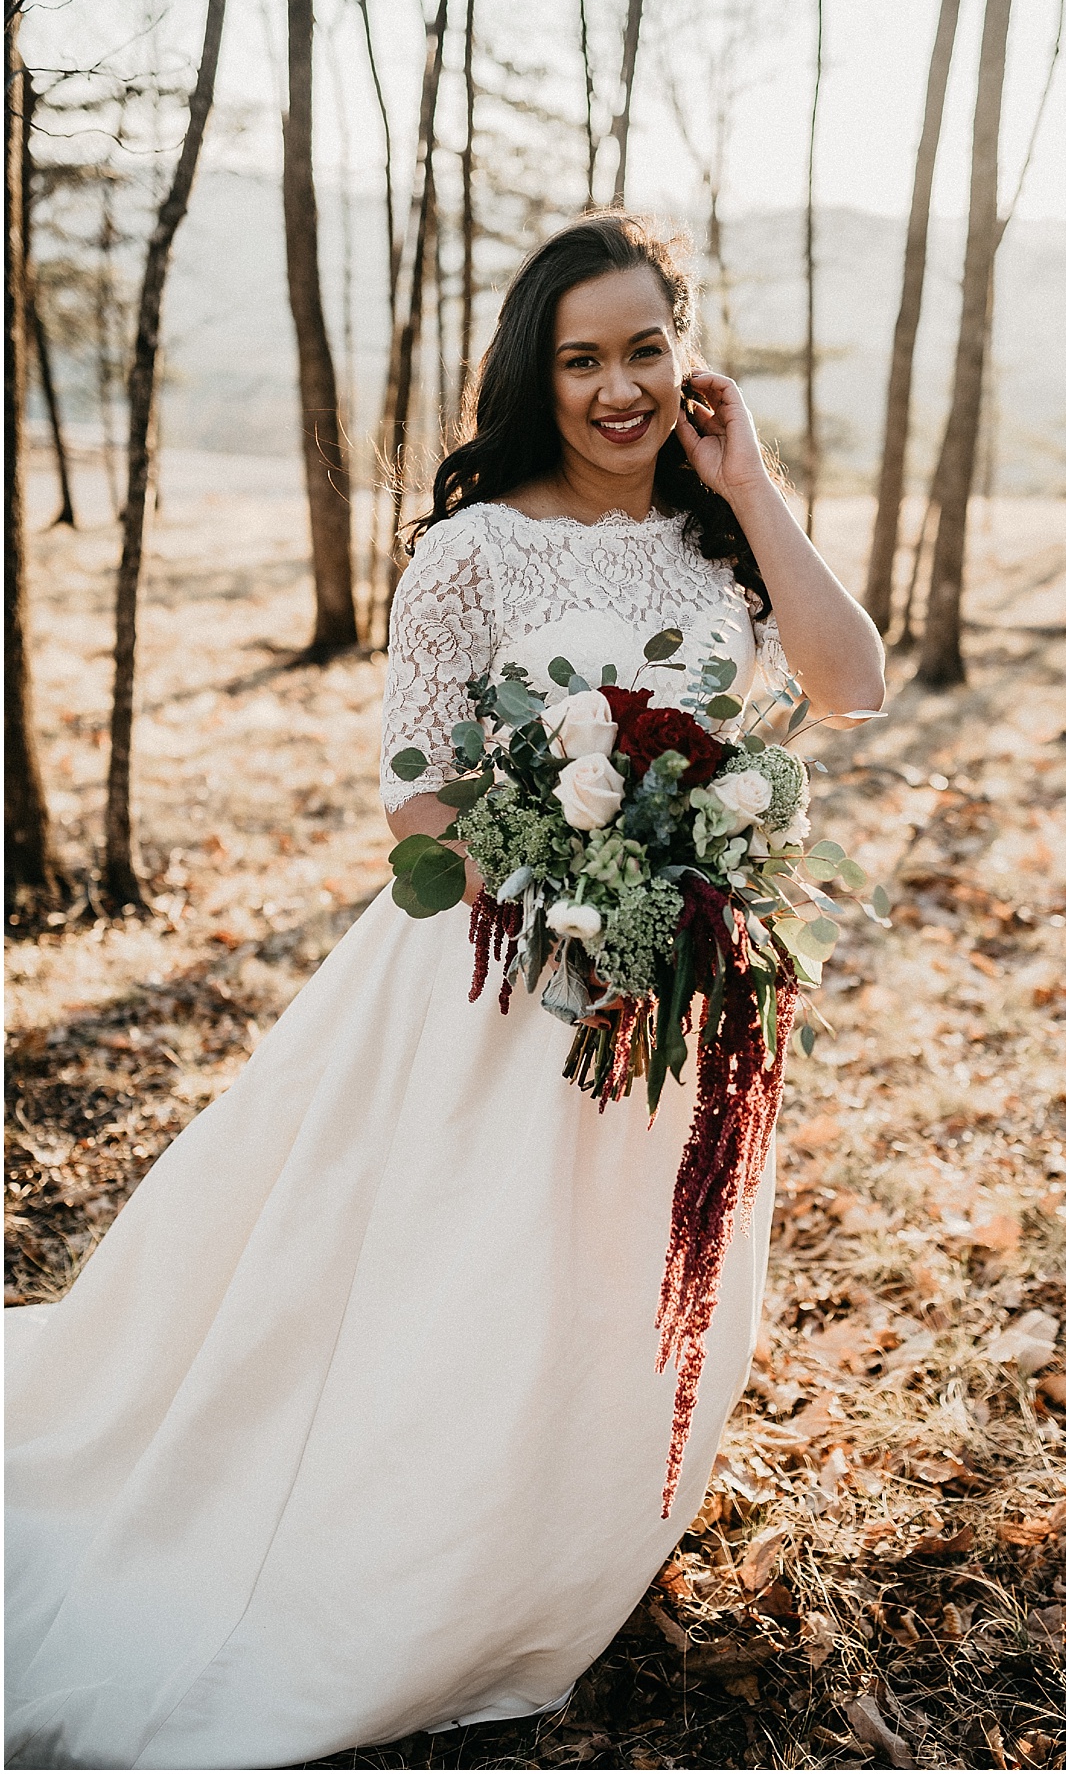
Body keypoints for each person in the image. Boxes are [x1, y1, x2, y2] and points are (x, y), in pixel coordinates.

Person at [6, 214, 886, 1766]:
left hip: (674, 985)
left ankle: (566, 1536)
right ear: (533, 375)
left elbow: (852, 679)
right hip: (492, 989)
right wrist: (545, 892)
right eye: (582, 358)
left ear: (686, 357)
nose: (619, 388)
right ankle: (424, 1557)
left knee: (613, 1287)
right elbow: (415, 786)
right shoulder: (473, 548)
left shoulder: (723, 531)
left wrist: (753, 486)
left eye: (644, 350)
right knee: (464, 1279)